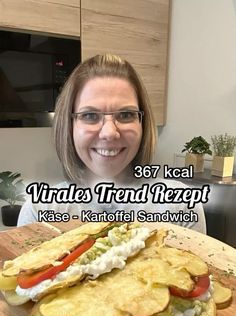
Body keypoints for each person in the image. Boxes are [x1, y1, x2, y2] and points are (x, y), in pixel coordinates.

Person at [18, 53, 206, 233]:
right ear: (69, 126)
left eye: (125, 115)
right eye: (90, 115)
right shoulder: (39, 211)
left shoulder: (182, 205)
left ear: (143, 123)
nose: (109, 133)